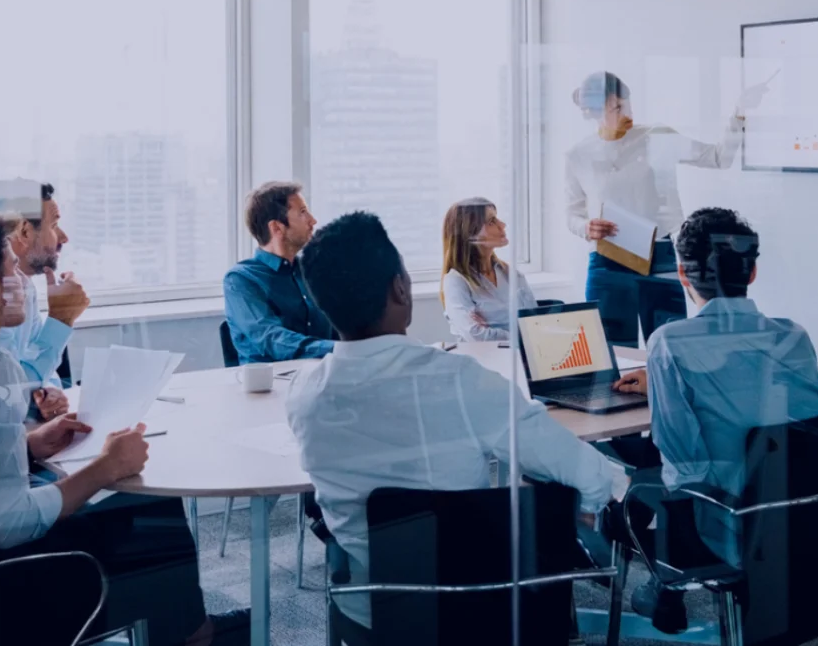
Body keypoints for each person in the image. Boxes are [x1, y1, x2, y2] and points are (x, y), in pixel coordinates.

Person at [0, 210, 249, 646]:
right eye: (13, 270)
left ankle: (183, 630)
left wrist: (28, 446)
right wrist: (104, 468)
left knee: (129, 509)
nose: (23, 282)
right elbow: (7, 524)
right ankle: (194, 636)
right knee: (145, 513)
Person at [286, 211, 628, 635]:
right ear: (400, 289)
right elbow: (580, 469)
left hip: (375, 613)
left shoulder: (304, 395)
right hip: (479, 606)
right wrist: (595, 504)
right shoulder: (460, 381)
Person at [605, 207, 818, 633]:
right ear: (752, 273)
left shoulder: (671, 344)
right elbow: (766, 402)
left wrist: (665, 381)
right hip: (814, 518)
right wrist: (663, 384)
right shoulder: (791, 336)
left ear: (682, 275)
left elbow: (683, 465)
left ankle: (664, 585)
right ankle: (665, 590)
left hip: (734, 529)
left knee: (633, 496)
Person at [564, 71, 768, 347]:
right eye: (617, 107)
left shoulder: (656, 136)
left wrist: (740, 113)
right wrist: (585, 227)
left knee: (671, 345)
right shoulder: (578, 155)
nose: (628, 112)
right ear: (593, 112)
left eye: (628, 103)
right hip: (607, 260)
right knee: (608, 351)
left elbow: (719, 158)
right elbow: (572, 214)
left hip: (658, 256)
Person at [0, 178, 90, 420]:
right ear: (25, 231)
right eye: (54, 225)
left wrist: (50, 392)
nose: (63, 237)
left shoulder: (24, 287)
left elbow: (36, 365)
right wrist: (62, 318)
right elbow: (9, 389)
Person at [223, 182, 335, 364]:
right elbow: (271, 339)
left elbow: (341, 327)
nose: (313, 221)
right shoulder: (240, 280)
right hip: (271, 387)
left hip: (321, 380)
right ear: (276, 227)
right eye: (303, 212)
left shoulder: (313, 271)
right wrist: (337, 350)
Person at [440, 197, 536, 341]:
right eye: (492, 221)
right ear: (470, 232)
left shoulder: (510, 273)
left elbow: (535, 323)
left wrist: (492, 331)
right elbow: (475, 335)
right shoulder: (456, 281)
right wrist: (520, 338)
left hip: (519, 359)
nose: (502, 225)